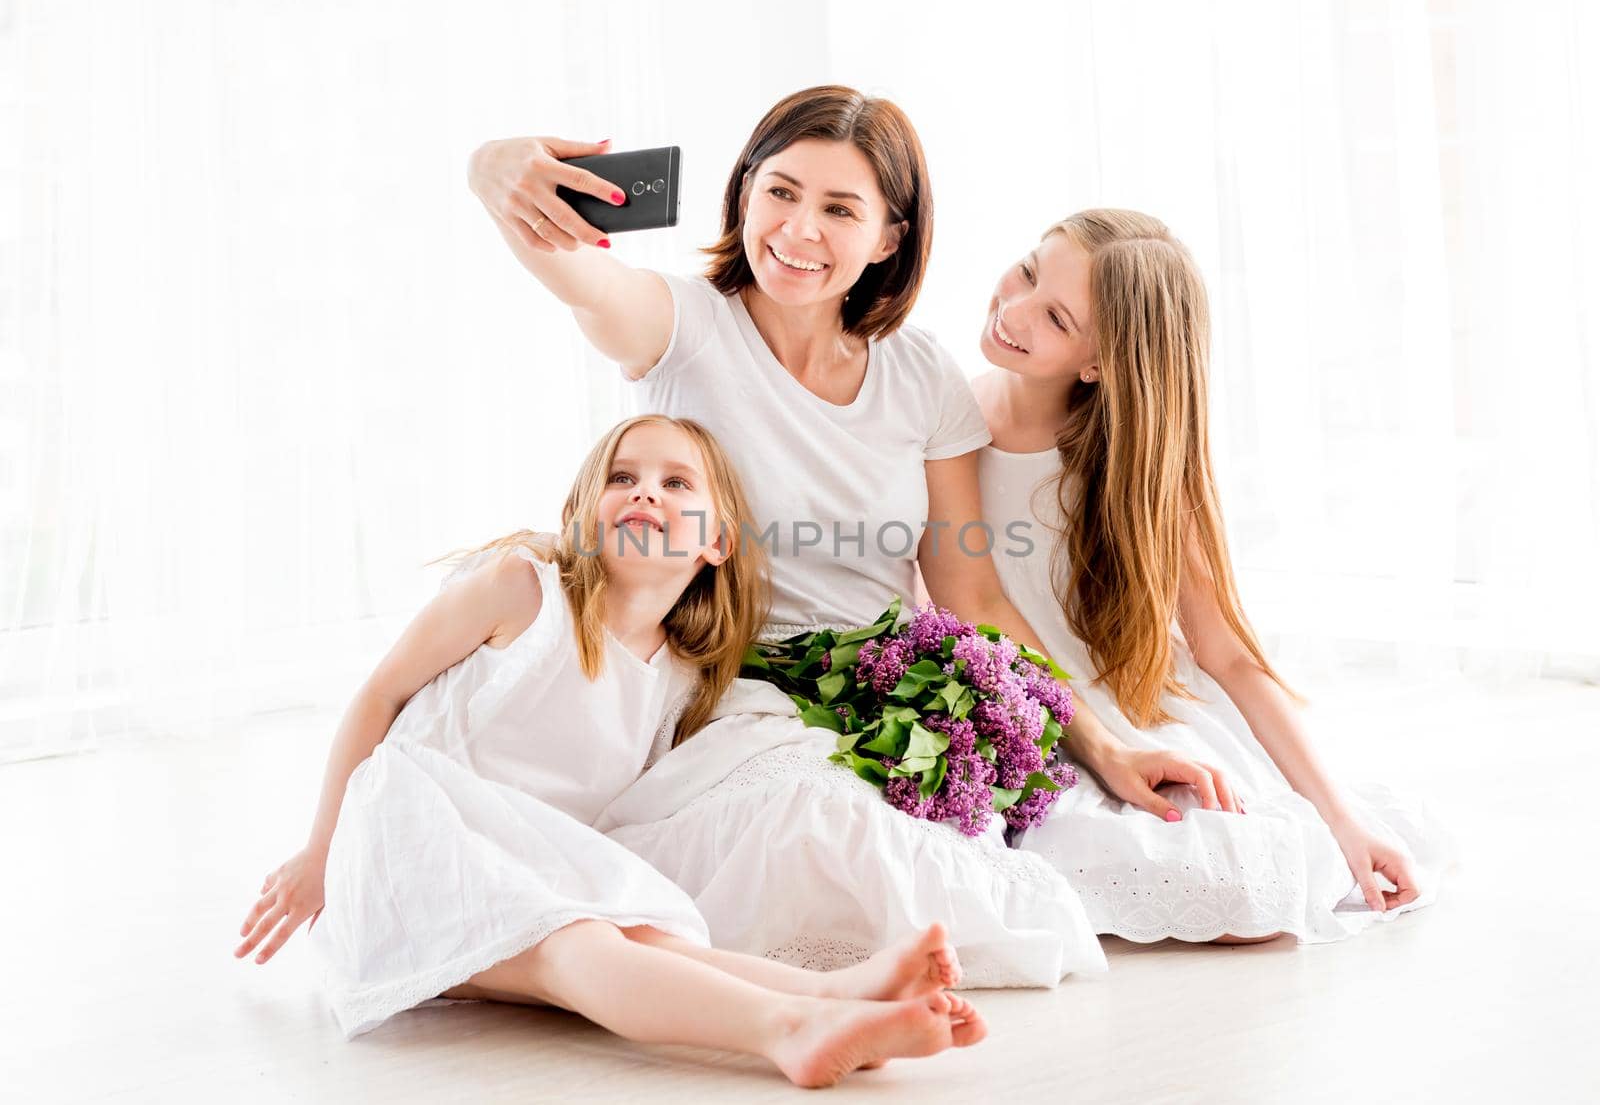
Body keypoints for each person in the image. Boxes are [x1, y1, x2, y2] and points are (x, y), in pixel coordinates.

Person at [466, 85, 1229, 980]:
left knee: (1082, 862)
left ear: (888, 238)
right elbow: (572, 272)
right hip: (736, 689)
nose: (798, 230)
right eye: (780, 191)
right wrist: (489, 169)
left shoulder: (920, 377)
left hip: (888, 687)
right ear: (744, 190)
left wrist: (1101, 741)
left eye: (840, 209)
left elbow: (971, 595)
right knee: (822, 830)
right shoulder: (681, 326)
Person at [233, 415, 983, 1088]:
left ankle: (831, 993)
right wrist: (319, 851)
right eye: (622, 477)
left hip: (521, 864)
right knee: (577, 941)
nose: (644, 492)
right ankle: (788, 1030)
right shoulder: (522, 591)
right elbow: (378, 696)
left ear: (718, 541)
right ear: (583, 516)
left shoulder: (679, 675)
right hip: (408, 840)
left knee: (637, 926)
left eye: (674, 482)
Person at [972, 209, 1456, 943]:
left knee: (1237, 877)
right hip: (1025, 701)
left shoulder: (1131, 467)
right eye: (1029, 271)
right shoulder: (944, 419)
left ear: (1099, 362)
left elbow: (1227, 652)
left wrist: (1341, 818)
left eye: (1056, 316)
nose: (1013, 309)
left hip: (1128, 706)